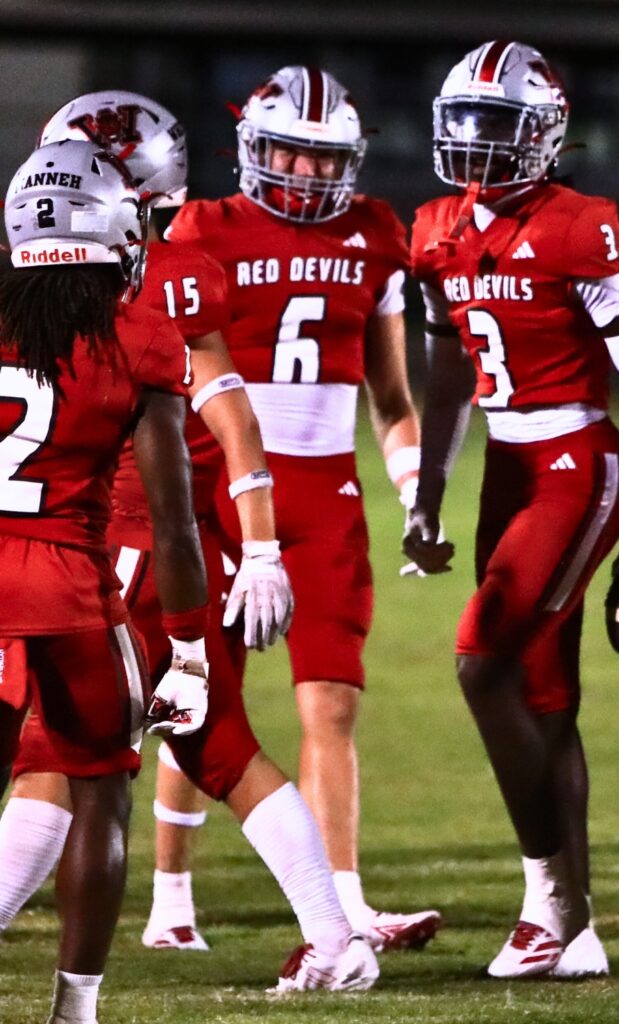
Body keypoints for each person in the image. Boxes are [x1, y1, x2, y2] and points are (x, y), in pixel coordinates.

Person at [0, 93, 379, 994]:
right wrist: (252, 543)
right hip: (107, 551)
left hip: (111, 555)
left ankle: (333, 936)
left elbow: (227, 413)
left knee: (156, 748)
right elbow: (227, 420)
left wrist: (258, 547)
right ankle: (329, 936)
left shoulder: (151, 293)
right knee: (75, 758)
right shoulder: (155, 287)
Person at [404, 40, 619, 978]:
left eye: (498, 124)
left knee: (481, 661)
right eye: (464, 122)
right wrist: (430, 489)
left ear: (546, 134)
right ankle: (576, 926)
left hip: (578, 460)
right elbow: (449, 373)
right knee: (546, 699)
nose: (475, 142)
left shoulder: (579, 224)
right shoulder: (436, 227)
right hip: (507, 465)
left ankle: (548, 904)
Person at [165, 64, 441, 950]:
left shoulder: (376, 232)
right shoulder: (202, 225)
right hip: (216, 481)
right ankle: (172, 902)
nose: (310, 175)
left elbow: (392, 400)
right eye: (292, 152)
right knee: (203, 690)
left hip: (326, 493)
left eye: (327, 160)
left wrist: (415, 494)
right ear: (253, 147)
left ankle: (347, 906)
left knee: (331, 703)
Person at [0, 138, 208, 1024]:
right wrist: (191, 648)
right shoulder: (139, 334)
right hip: (71, 589)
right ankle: (74, 1010)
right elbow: (172, 519)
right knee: (100, 785)